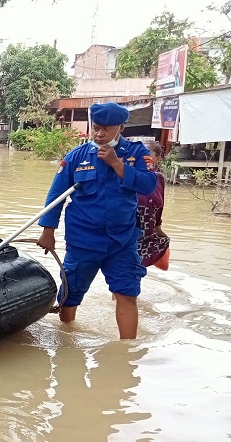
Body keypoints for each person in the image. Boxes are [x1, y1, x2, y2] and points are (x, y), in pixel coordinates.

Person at [35, 102, 157, 339]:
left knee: (127, 293)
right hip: (83, 241)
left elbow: (149, 185)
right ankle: (66, 339)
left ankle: (126, 354)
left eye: (106, 129)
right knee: (71, 294)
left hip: (122, 240)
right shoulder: (76, 157)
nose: (100, 134)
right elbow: (55, 196)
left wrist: (116, 164)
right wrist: (47, 232)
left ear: (120, 127)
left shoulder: (136, 153)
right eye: (96, 128)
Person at [137, 142, 170, 270]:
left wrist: (158, 229)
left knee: (134, 274)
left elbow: (160, 207)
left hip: (147, 233)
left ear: (157, 158)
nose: (142, 156)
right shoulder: (128, 174)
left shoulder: (159, 179)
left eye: (147, 152)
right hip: (129, 229)